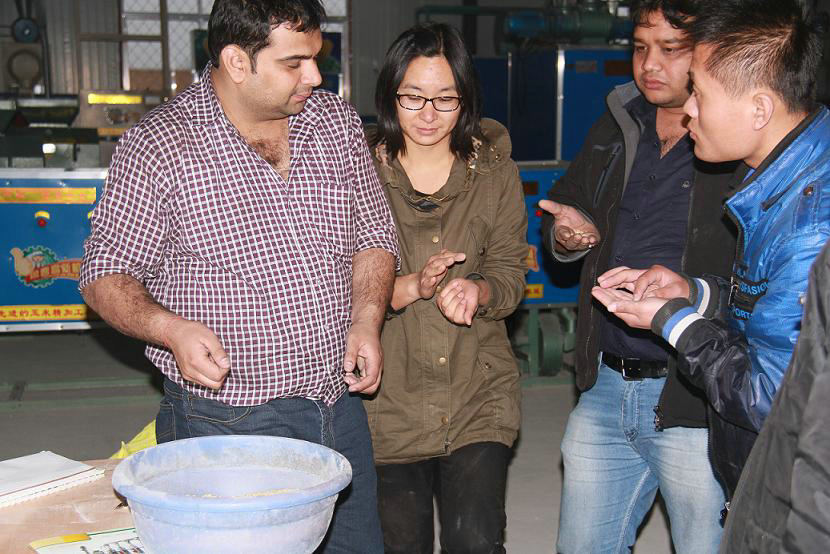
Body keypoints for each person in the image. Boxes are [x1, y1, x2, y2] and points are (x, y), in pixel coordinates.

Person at [78, 1, 398, 552]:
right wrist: (170, 329)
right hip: (225, 421)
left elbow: (373, 233)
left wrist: (366, 320)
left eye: (316, 58)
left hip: (337, 405)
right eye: (294, 63)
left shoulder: (335, 124)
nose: (315, 76)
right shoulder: (162, 146)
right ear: (236, 61)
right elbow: (105, 272)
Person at [592, 0, 830, 510]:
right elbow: (773, 316)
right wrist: (694, 293)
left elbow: (771, 399)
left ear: (759, 109)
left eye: (700, 92)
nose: (689, 110)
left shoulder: (811, 227)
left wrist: (674, 322)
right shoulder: (784, 184)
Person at [538, 1, 741, 551]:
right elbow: (569, 206)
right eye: (640, 47)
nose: (649, 64)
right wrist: (568, 234)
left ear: (710, 52)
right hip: (606, 383)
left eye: (670, 49)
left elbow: (762, 283)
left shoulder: (736, 142)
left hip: (695, 395)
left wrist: (694, 294)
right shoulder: (619, 120)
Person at [363, 23, 528, 554]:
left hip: (477, 392)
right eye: (412, 97)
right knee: (400, 543)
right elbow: (331, 282)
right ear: (390, 95)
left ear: (466, 99)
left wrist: (480, 290)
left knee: (474, 540)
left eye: (445, 98)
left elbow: (510, 272)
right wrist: (406, 287)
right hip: (387, 402)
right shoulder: (357, 172)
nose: (429, 114)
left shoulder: (495, 174)